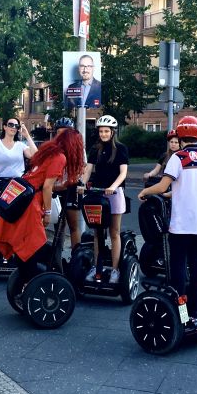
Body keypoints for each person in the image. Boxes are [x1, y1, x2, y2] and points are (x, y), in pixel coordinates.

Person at [138, 116, 197, 327]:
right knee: (196, 266)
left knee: (178, 267)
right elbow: (193, 187)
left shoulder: (178, 157)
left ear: (180, 135)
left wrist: (145, 191)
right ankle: (196, 312)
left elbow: (162, 186)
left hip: (182, 223)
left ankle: (181, 313)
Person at [0, 127, 85, 287]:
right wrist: (47, 212)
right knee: (33, 244)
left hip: (21, 196)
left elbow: (42, 182)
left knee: (23, 241)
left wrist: (64, 185)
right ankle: (29, 283)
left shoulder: (48, 152)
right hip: (31, 203)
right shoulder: (60, 157)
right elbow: (47, 187)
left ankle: (25, 281)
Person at [80, 115, 129, 284]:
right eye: (101, 131)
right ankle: (96, 266)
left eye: (107, 131)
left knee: (114, 232)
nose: (104, 134)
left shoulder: (121, 149)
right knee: (97, 232)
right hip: (98, 193)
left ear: (113, 132)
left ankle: (115, 269)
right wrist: (82, 184)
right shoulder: (95, 149)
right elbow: (88, 170)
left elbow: (123, 173)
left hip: (114, 194)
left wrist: (113, 187)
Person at [0, 117, 38, 251]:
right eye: (11, 124)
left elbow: (35, 155)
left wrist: (27, 135)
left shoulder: (20, 145)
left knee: (17, 217)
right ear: (5, 127)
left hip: (16, 185)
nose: (14, 127)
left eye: (16, 126)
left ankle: (14, 247)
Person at [51, 117, 83, 248]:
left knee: (73, 225)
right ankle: (57, 260)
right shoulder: (53, 148)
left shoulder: (78, 147)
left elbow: (83, 167)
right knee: (59, 227)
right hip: (56, 188)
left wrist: (74, 179)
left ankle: (77, 258)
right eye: (60, 132)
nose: (62, 136)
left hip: (71, 188)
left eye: (65, 132)